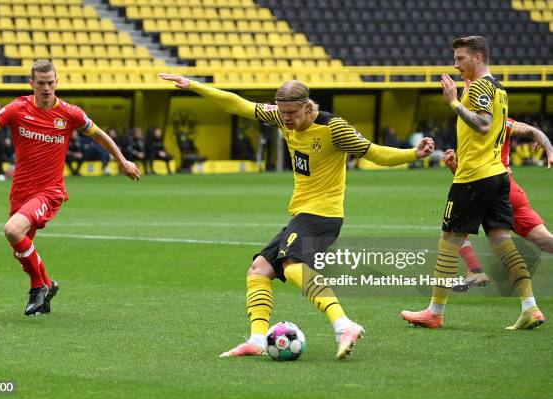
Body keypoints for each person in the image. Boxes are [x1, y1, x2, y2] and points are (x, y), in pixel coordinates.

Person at [160, 72, 434, 359]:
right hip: (303, 212)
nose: (285, 119)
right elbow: (237, 104)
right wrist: (194, 86)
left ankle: (344, 325)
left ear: (307, 106)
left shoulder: (334, 128)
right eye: (282, 113)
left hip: (324, 213)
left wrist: (412, 154)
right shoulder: (281, 116)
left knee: (292, 264)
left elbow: (375, 153)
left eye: (291, 113)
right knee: (259, 269)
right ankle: (256, 339)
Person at [0, 60, 141, 315]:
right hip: (21, 192)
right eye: (41, 83)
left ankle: (38, 287)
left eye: (51, 83)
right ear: (32, 84)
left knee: (12, 230)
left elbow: (100, 135)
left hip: (49, 191)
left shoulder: (70, 113)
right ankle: (48, 285)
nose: (47, 88)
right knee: (21, 250)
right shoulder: (18, 108)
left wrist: (122, 160)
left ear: (57, 82)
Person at [401, 36, 545, 330]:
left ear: (478, 57)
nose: (455, 65)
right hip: (497, 174)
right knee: (502, 241)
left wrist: (453, 101)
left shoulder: (480, 86)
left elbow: (482, 125)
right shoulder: (499, 89)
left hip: (474, 178)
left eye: (461, 59)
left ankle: (434, 312)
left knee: (449, 242)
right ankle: (530, 308)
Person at [443, 117, 553, 291]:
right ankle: (528, 304)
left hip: (487, 188)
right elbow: (533, 130)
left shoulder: (470, 126)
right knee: (545, 240)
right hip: (511, 188)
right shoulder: (503, 121)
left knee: (454, 225)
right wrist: (547, 147)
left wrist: (453, 166)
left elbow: (468, 174)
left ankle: (475, 271)